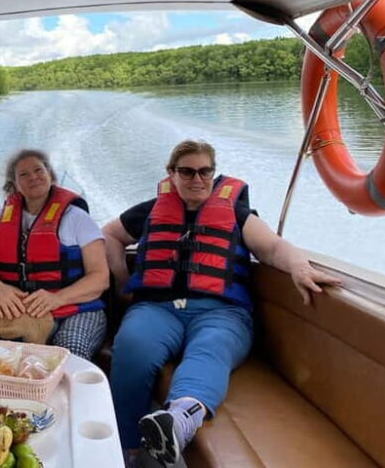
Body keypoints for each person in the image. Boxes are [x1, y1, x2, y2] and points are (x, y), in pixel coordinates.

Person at [102, 139, 342, 467]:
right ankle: (126, 450)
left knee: (211, 348)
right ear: (171, 173)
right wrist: (120, 279)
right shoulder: (148, 211)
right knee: (131, 346)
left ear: (214, 174)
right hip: (156, 308)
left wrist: (300, 266)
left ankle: (177, 422)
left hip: (221, 313)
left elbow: (272, 247)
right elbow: (110, 235)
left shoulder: (238, 213)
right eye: (187, 171)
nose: (197, 179)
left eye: (205, 171)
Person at [0, 149, 110, 358]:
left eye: (38, 170)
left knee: (69, 351)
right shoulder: (0, 218)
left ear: (50, 175)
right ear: (15, 184)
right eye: (23, 174)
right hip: (17, 310)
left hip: (76, 308)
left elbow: (100, 278)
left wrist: (58, 298)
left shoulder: (77, 218)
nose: (33, 177)